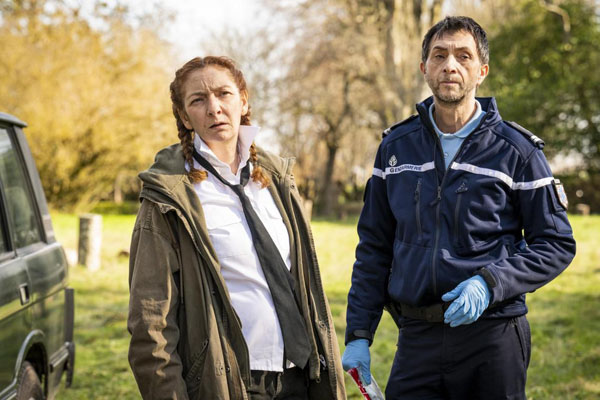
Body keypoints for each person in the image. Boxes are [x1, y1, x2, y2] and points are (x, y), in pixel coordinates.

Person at [342, 16, 576, 399]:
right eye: (440, 55)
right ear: (424, 68)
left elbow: (555, 244)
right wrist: (358, 333)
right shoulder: (394, 149)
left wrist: (490, 283)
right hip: (416, 336)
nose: (450, 65)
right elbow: (374, 248)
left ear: (482, 71)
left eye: (463, 56)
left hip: (493, 336)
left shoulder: (517, 152)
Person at [127, 56, 345, 400]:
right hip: (232, 383)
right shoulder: (169, 197)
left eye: (223, 94)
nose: (214, 108)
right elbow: (151, 323)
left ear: (243, 101)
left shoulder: (276, 178)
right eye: (198, 100)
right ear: (184, 116)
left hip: (302, 377)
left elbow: (303, 282)